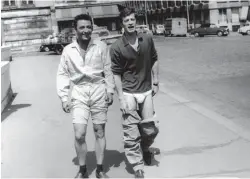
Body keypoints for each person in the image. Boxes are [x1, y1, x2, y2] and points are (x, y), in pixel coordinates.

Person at [57, 14, 115, 179]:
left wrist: (110, 91)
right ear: (75, 30)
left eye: (88, 27)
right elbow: (62, 74)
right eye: (82, 27)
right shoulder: (68, 51)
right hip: (79, 92)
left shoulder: (101, 46)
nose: (86, 31)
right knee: (79, 134)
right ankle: (82, 170)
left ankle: (100, 169)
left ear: (92, 28)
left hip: (98, 90)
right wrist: (63, 97)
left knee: (99, 132)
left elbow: (108, 70)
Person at [110, 7, 159, 178]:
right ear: (121, 24)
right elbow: (115, 74)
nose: (130, 23)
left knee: (149, 129)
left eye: (132, 19)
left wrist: (156, 80)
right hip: (129, 92)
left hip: (146, 91)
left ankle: (145, 149)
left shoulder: (146, 39)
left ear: (135, 21)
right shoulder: (116, 47)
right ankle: (137, 166)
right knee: (130, 133)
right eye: (126, 20)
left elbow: (154, 59)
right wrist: (121, 98)